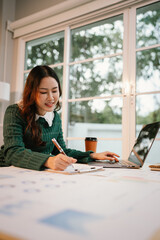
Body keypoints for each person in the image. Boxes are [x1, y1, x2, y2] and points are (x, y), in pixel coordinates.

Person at [0, 65, 119, 171]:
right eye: (43, 92)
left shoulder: (54, 117)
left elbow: (62, 151)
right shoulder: (15, 112)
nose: (51, 98)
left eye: (54, 91)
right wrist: (48, 161)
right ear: (31, 92)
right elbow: (13, 152)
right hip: (9, 169)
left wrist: (92, 155)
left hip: (38, 172)